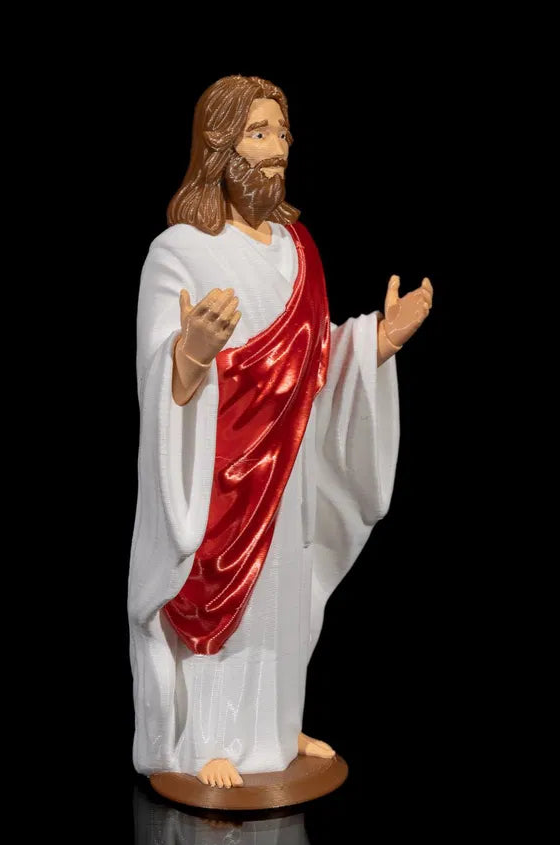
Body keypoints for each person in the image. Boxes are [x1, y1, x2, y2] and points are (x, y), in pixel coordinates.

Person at [128, 74, 433, 790]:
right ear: (219, 145)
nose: (276, 150)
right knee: (218, 599)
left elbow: (313, 359)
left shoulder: (298, 247)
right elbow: (159, 370)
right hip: (220, 471)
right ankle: (206, 739)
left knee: (285, 597)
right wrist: (192, 352)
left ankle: (272, 726)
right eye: (259, 133)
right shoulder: (179, 251)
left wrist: (375, 342)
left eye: (283, 134)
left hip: (289, 466)